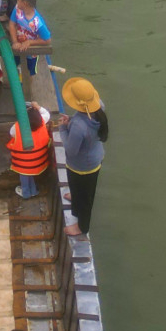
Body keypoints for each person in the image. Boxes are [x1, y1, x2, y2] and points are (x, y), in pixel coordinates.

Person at [56, 76, 110, 237]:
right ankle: (75, 196)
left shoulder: (79, 126)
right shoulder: (98, 107)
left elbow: (71, 150)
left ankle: (82, 227)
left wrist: (63, 129)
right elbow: (85, 125)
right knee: (79, 187)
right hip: (94, 158)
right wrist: (71, 121)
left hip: (82, 167)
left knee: (86, 199)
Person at [6, 102, 52, 198]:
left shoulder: (16, 127)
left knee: (24, 174)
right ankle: (34, 191)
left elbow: (12, 134)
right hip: (38, 161)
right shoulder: (42, 121)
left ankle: (26, 193)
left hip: (23, 163)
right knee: (29, 171)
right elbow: (47, 113)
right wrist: (37, 107)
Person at [6, 0, 51, 75]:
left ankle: (28, 87)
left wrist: (30, 42)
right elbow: (12, 24)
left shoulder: (37, 23)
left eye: (18, 0)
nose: (17, 1)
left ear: (25, 3)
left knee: (30, 73)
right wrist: (15, 41)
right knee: (14, 67)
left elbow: (47, 40)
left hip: (31, 53)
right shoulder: (17, 9)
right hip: (18, 47)